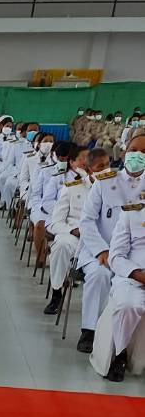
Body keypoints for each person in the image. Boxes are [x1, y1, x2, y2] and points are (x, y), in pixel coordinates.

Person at [77, 130, 145, 354]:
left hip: (135, 257)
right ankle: (90, 330)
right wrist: (102, 251)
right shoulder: (105, 181)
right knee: (100, 275)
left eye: (144, 152)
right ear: (124, 152)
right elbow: (86, 220)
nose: (138, 155)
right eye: (134, 150)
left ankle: (126, 346)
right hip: (101, 250)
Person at [45, 148, 98, 317]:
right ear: (73, 163)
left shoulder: (107, 187)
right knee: (60, 245)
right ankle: (56, 292)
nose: (86, 161)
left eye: (89, 158)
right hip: (74, 235)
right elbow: (56, 222)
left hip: (99, 239)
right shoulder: (70, 188)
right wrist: (72, 230)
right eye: (82, 158)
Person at [105, 191, 145, 380]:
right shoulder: (132, 213)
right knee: (129, 306)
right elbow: (116, 256)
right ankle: (120, 355)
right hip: (133, 276)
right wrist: (138, 274)